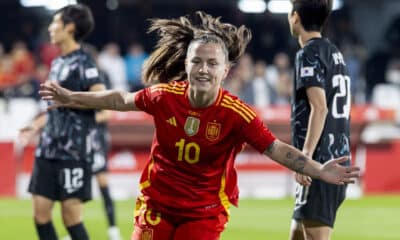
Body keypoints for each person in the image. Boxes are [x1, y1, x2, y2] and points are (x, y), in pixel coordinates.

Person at [39, 12, 359, 240]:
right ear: (186, 64)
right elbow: (119, 98)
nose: (203, 69)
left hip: (203, 212)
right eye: (196, 61)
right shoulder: (164, 96)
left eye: (212, 63)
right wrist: (70, 97)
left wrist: (318, 170)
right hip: (157, 205)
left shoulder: (236, 114)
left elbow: (276, 149)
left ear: (225, 70)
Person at [19, 4, 105, 240]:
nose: (50, 28)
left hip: (74, 152)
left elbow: (101, 100)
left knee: (71, 218)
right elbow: (55, 111)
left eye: (55, 22)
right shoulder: (57, 63)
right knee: (40, 214)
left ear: (69, 27)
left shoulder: (84, 63)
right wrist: (35, 125)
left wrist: (70, 101)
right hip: (47, 149)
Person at [287, 1, 352, 239]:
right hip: (333, 157)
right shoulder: (335, 53)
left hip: (322, 164)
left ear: (295, 17)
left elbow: (320, 107)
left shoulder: (308, 54)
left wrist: (304, 158)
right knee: (297, 234)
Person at [84, 44, 122, 240]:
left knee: (102, 183)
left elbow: (107, 113)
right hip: (80, 138)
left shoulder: (100, 77)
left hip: (97, 138)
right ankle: (75, 229)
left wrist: (83, 118)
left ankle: (113, 229)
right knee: (76, 186)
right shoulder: (81, 78)